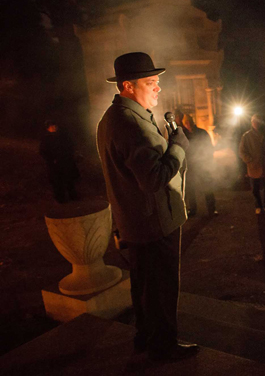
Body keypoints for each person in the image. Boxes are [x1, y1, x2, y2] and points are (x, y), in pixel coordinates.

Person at [96, 52, 198, 361]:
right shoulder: (132, 124)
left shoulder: (114, 118)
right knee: (162, 288)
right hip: (155, 223)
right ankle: (163, 346)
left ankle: (145, 336)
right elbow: (154, 178)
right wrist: (179, 147)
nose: (158, 89)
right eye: (151, 82)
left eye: (157, 83)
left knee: (143, 285)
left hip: (136, 221)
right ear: (128, 86)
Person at [181, 114, 217, 217]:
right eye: (186, 123)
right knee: (190, 189)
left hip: (202, 164)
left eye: (190, 122)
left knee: (207, 187)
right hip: (190, 165)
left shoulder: (201, 132)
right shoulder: (183, 134)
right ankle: (192, 209)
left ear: (193, 122)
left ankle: (212, 209)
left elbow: (209, 147)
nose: (188, 125)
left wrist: (208, 160)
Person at [239, 114, 265, 214]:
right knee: (255, 188)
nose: (257, 123)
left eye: (258, 121)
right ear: (252, 122)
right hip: (253, 166)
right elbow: (242, 151)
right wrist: (249, 160)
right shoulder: (247, 136)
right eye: (255, 121)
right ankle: (258, 205)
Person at [39, 120, 79, 203]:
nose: (54, 127)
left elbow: (70, 146)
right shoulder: (46, 138)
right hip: (54, 165)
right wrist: (51, 160)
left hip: (66, 162)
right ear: (48, 128)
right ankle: (60, 198)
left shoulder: (63, 136)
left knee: (69, 180)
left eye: (55, 125)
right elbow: (43, 151)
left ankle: (73, 196)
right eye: (51, 126)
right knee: (57, 182)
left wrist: (70, 156)